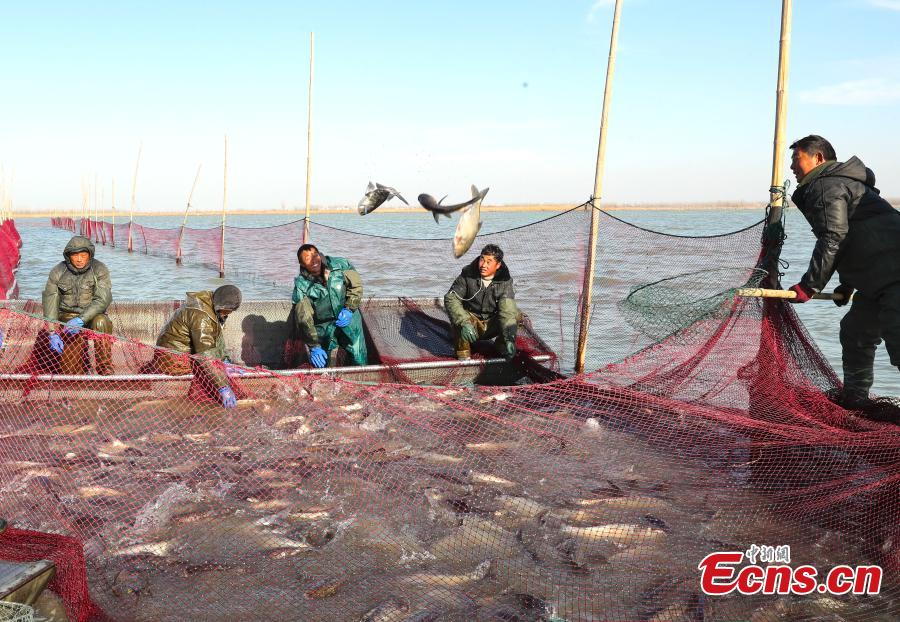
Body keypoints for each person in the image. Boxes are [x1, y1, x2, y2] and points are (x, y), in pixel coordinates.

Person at [787, 135, 900, 415]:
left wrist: (809, 285)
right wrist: (847, 284)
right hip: (878, 279)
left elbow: (833, 237)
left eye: (796, 158)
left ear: (818, 159)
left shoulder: (825, 184)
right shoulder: (840, 182)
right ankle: (855, 400)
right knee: (856, 332)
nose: (791, 166)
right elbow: (855, 237)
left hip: (895, 276)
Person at [148, 284, 243, 408]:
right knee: (205, 366)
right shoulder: (201, 317)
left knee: (215, 367)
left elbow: (216, 337)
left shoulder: (209, 303)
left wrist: (225, 360)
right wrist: (223, 386)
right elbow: (205, 356)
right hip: (173, 359)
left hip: (179, 351)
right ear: (222, 306)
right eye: (230, 310)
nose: (230, 314)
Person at [41, 235, 114, 374]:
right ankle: (79, 368)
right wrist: (52, 332)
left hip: (93, 314)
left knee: (101, 322)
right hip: (67, 316)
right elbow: (50, 301)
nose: (79, 259)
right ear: (68, 256)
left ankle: (105, 369)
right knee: (70, 372)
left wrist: (81, 319)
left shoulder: (99, 268)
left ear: (89, 255)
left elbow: (103, 299)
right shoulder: (58, 271)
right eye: (75, 255)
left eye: (83, 254)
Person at [291, 244, 367, 367]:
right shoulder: (301, 285)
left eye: (315, 255)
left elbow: (356, 286)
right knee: (323, 364)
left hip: (348, 318)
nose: (314, 260)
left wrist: (349, 308)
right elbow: (304, 318)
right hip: (323, 327)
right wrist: (314, 346)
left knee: (359, 357)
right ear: (302, 264)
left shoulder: (341, 264)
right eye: (307, 258)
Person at [444, 244, 519, 360]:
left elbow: (507, 311)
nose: (484, 265)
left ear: (498, 265)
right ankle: (463, 355)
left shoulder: (505, 281)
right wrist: (464, 322)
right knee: (458, 317)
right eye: (482, 259)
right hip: (470, 324)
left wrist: (510, 338)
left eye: (489, 262)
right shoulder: (467, 274)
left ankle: (502, 347)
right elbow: (451, 299)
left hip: (491, 324)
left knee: (516, 314)